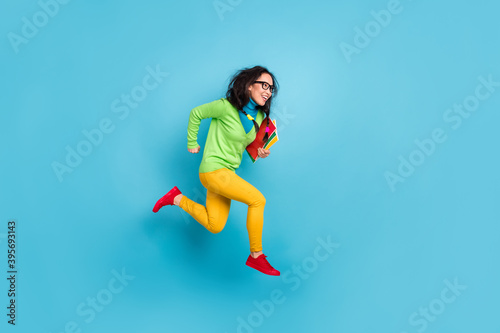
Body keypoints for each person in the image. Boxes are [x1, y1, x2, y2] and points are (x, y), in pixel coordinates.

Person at [152, 65, 280, 276]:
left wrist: (260, 151)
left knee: (215, 224)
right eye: (264, 85)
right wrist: (191, 141)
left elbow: (243, 144)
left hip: (228, 173)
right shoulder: (225, 107)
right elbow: (197, 113)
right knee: (258, 200)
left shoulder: (259, 119)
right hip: (213, 170)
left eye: (271, 88)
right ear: (249, 86)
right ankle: (256, 256)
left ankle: (176, 198)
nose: (268, 91)